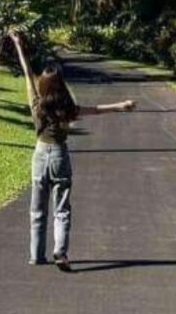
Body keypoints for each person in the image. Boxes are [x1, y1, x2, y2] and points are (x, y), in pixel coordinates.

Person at [12, 35, 135, 271]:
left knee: (37, 209)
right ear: (60, 85)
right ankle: (60, 251)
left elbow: (28, 73)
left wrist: (19, 46)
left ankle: (36, 255)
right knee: (62, 207)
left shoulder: (36, 105)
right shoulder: (67, 108)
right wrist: (121, 105)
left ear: (43, 86)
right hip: (59, 154)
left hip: (39, 155)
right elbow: (96, 110)